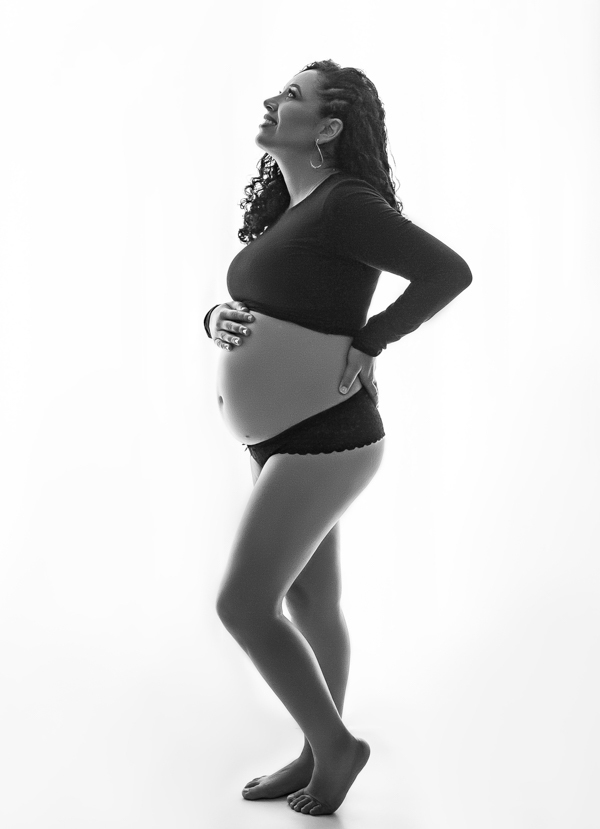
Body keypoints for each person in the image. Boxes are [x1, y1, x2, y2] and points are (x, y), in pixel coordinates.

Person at [203, 59, 472, 817]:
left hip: (325, 434)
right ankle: (313, 750)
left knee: (244, 605)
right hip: (281, 437)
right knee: (311, 598)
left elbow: (448, 272)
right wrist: (213, 319)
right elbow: (263, 301)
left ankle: (337, 747)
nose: (271, 99)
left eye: (291, 95)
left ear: (328, 127)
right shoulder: (295, 209)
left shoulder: (345, 201)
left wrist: (372, 339)